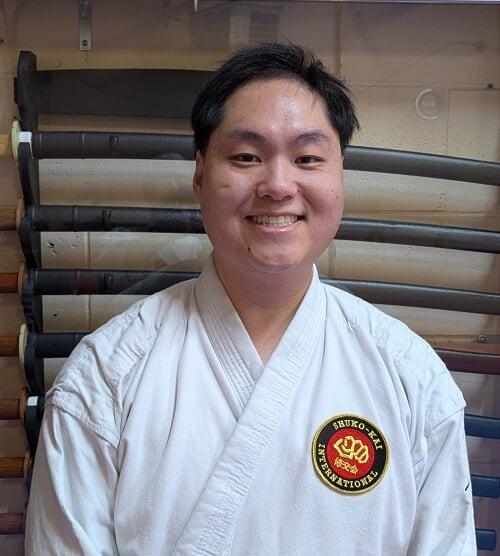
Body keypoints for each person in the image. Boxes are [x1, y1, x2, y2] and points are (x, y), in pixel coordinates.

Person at [26, 43, 476, 555]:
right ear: (200, 177)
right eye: (246, 157)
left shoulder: (412, 378)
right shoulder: (104, 377)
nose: (278, 185)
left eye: (307, 159)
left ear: (339, 178)